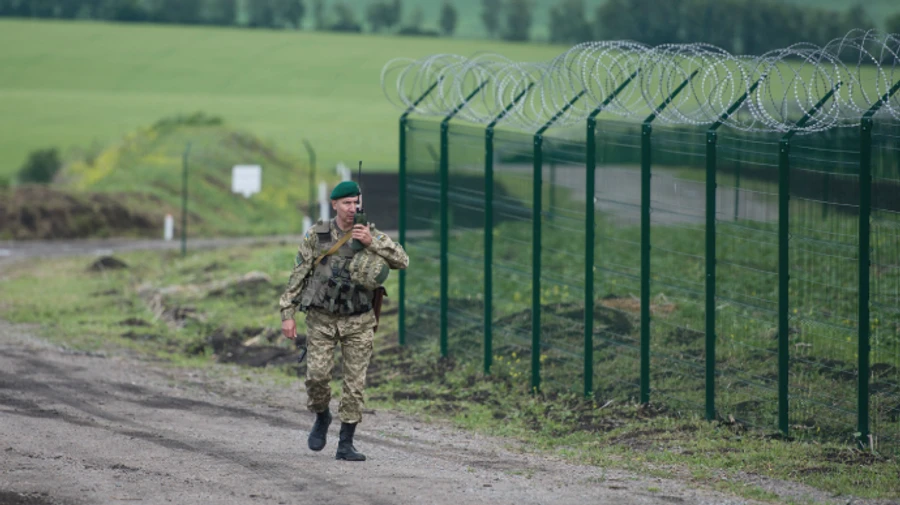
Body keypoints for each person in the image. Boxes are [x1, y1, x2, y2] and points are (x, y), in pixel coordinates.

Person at [279, 180, 409, 462]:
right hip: (322, 319)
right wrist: (287, 314)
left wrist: (371, 243)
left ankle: (346, 443)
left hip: (359, 320)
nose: (353, 208)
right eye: (347, 203)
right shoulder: (320, 234)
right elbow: (298, 274)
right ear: (335, 205)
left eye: (356, 202)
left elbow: (402, 260)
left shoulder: (369, 233)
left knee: (354, 384)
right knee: (316, 377)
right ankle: (322, 416)